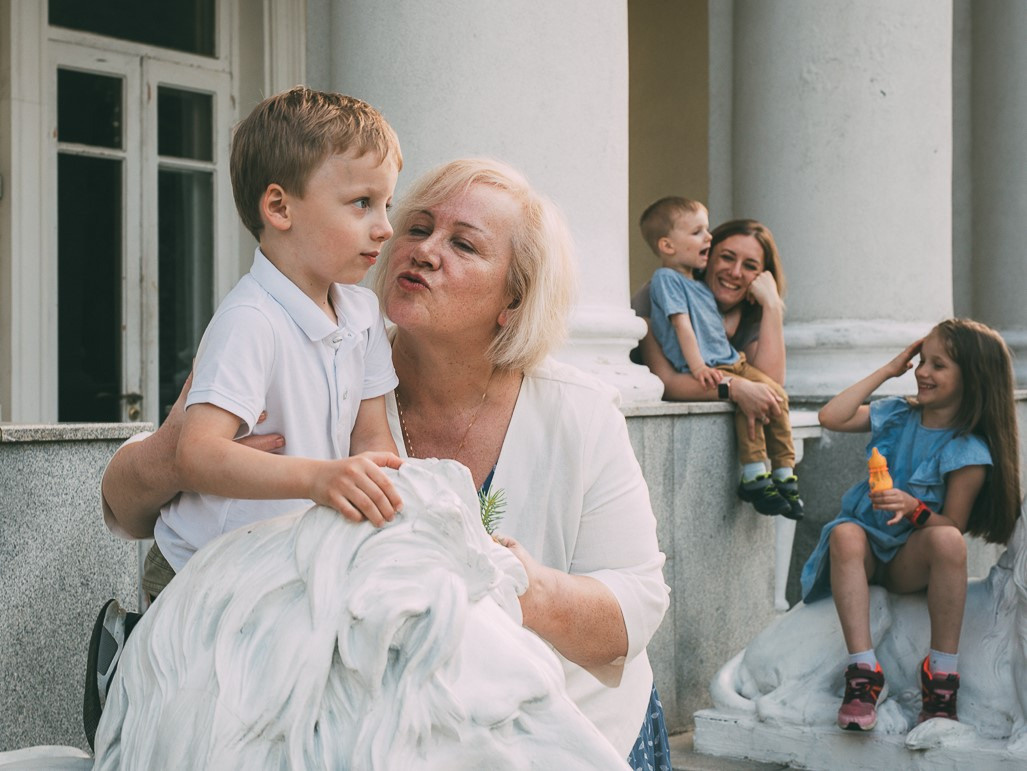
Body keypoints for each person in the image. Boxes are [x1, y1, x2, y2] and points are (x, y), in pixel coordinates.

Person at [98, 158, 671, 766]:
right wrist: (180, 455)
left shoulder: (579, 412)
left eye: (463, 244)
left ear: (514, 299)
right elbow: (123, 507)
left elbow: (635, 610)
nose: (423, 251)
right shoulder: (319, 355)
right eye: (417, 228)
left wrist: (505, 583)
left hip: (562, 729)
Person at [84, 86, 405, 748]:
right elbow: (196, 452)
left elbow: (372, 437)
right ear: (279, 207)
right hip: (204, 564)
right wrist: (319, 478)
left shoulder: (363, 314)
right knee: (202, 728)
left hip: (286, 562)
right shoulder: (249, 319)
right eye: (361, 204)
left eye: (388, 204)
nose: (385, 227)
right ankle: (129, 672)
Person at [799, 319, 1021, 732]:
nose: (922, 371)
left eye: (939, 365)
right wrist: (888, 370)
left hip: (908, 562)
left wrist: (915, 508)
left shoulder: (966, 450)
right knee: (845, 532)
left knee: (948, 541)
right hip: (862, 551)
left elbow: (951, 525)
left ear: (972, 378)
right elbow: (831, 416)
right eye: (921, 360)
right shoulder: (897, 415)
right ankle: (863, 673)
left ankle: (941, 678)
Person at [639, 198, 801, 519]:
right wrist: (734, 388)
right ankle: (755, 475)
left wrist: (771, 306)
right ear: (708, 258)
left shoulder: (743, 314)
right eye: (727, 258)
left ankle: (784, 474)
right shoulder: (661, 293)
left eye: (751, 266)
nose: (735, 272)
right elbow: (668, 383)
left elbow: (772, 386)